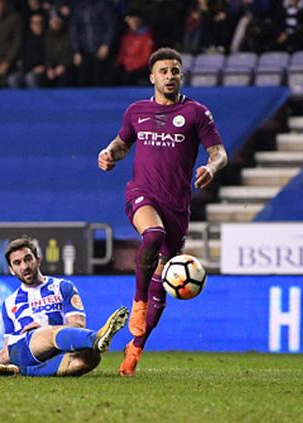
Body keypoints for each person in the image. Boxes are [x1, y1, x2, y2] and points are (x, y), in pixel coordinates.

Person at [97, 47, 228, 377]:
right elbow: (121, 144)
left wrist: (211, 168)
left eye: (175, 71)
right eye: (164, 71)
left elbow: (219, 153)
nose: (170, 76)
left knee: (163, 278)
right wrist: (108, 154)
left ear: (181, 75)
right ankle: (137, 302)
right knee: (152, 235)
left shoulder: (196, 113)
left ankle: (136, 348)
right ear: (152, 77)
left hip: (177, 207)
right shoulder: (136, 112)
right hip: (142, 194)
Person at [0, 237, 129, 377]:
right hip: (23, 349)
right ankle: (97, 337)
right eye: (17, 263)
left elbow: (77, 325)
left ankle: (23, 372)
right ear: (11, 270)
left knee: (91, 358)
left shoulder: (63, 287)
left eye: (28, 259)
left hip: (55, 351)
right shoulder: (9, 303)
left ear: (38, 260)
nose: (24, 266)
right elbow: (7, 351)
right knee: (47, 333)